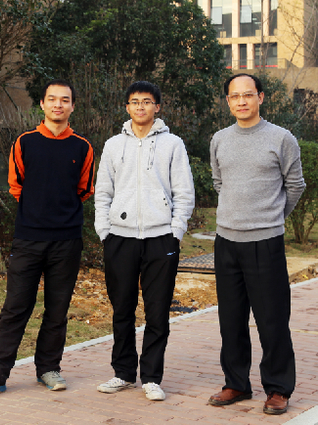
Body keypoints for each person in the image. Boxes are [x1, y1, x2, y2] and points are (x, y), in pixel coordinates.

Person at [0, 79, 95, 399]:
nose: (58, 105)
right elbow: (16, 186)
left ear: (72, 106)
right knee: (15, 307)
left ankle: (48, 369)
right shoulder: (25, 142)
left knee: (57, 309)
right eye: (52, 99)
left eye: (64, 100)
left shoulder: (83, 147)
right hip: (28, 239)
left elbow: (84, 189)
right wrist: (38, 210)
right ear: (42, 104)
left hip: (66, 241)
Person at [208, 73, 306, 415]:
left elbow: (295, 186)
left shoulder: (281, 138)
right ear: (228, 101)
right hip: (226, 241)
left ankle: (278, 388)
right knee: (230, 319)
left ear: (260, 97)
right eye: (235, 96)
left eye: (248, 95)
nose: (241, 101)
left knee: (272, 319)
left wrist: (272, 216)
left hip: (265, 242)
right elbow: (219, 182)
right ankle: (236, 383)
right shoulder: (219, 139)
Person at [94, 81, 195, 401]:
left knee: (157, 311)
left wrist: (176, 231)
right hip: (120, 238)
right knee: (121, 309)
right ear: (127, 107)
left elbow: (184, 191)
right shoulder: (113, 145)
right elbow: (103, 192)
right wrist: (104, 231)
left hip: (160, 238)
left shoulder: (173, 144)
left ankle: (152, 377)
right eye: (135, 102)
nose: (140, 107)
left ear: (157, 107)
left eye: (147, 101)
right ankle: (123, 373)